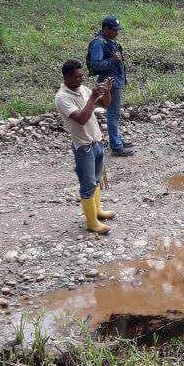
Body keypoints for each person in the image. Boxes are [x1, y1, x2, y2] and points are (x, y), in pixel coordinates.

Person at [55, 60, 116, 235]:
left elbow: (105, 104)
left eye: (82, 75)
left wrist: (107, 92)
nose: (81, 79)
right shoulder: (62, 97)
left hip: (96, 142)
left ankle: (97, 212)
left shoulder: (82, 89)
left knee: (97, 180)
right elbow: (81, 118)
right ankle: (91, 223)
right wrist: (91, 98)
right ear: (67, 77)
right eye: (77, 77)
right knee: (87, 184)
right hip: (83, 146)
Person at [87, 15, 134, 157]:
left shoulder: (108, 41)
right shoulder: (99, 43)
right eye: (114, 30)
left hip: (114, 81)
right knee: (113, 115)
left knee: (114, 114)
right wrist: (112, 61)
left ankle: (117, 140)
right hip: (110, 83)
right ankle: (116, 146)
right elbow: (96, 64)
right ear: (106, 29)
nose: (116, 33)